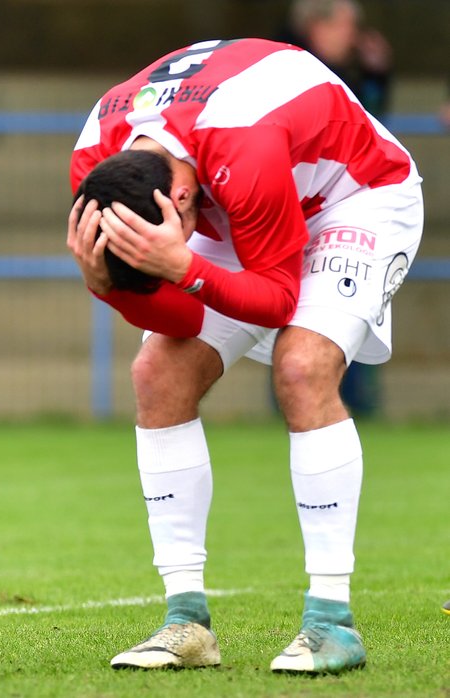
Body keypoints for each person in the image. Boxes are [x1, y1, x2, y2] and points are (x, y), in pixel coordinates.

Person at [66, 38, 423, 674]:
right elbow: (181, 314)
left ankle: (331, 621)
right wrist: (111, 288)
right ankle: (186, 622)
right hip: (225, 205)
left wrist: (183, 264)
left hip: (353, 194)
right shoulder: (96, 159)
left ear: (176, 206)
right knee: (157, 373)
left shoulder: (244, 142)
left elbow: (276, 299)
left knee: (302, 366)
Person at [278, 0, 395, 414]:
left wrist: (380, 74)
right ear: (317, 25)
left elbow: (375, 125)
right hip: (295, 213)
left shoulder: (347, 79)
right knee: (290, 310)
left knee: (348, 307)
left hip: (343, 215)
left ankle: (356, 405)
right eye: (347, 23)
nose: (354, 33)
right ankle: (292, 404)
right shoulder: (285, 67)